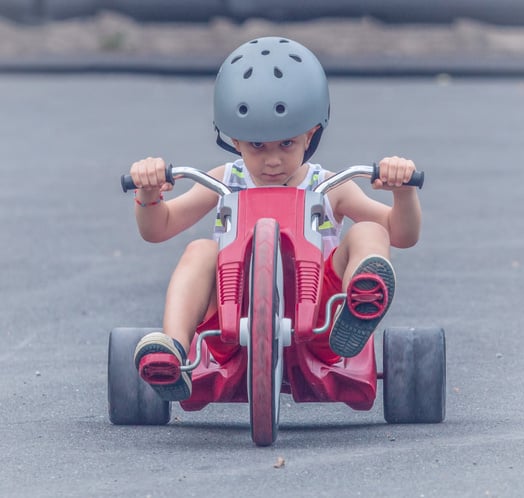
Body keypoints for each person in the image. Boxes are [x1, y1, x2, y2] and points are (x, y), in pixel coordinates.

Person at [129, 37, 422, 402]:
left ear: (310, 134)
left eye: (286, 144)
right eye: (257, 145)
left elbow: (402, 233)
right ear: (234, 140)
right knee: (200, 250)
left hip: (323, 323)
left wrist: (403, 191)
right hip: (229, 324)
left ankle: (363, 299)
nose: (272, 160)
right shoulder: (224, 181)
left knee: (370, 230)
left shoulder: (330, 187)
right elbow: (158, 228)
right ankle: (172, 349)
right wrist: (149, 193)